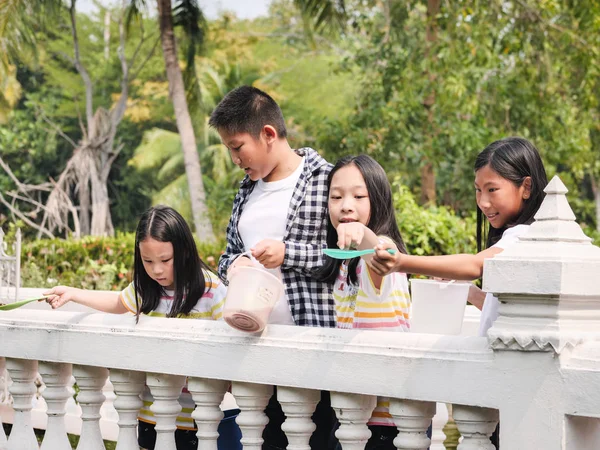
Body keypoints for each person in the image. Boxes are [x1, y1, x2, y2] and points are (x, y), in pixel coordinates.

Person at [371, 136, 548, 448]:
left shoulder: (523, 235)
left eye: (492, 189)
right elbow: (506, 308)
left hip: (509, 391)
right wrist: (472, 295)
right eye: (478, 191)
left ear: (527, 187)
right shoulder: (525, 238)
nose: (483, 202)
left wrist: (401, 262)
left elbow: (475, 265)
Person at [43, 205, 241, 450]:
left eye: (165, 260)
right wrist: (73, 293)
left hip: (197, 416)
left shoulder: (210, 289)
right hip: (150, 411)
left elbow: (231, 336)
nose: (157, 269)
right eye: (148, 261)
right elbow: (117, 302)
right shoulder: (145, 287)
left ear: (185, 252)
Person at [209, 85, 336, 450]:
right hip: (256, 350)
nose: (235, 158)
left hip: (313, 353)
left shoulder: (326, 181)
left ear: (267, 134)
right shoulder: (246, 191)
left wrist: (288, 253)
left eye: (237, 147)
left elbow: (345, 262)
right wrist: (234, 266)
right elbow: (227, 255)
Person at [316, 155, 410, 449]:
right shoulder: (344, 264)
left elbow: (383, 253)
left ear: (379, 200)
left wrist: (364, 234)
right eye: (336, 196)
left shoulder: (382, 254)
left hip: (387, 422)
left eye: (359, 196)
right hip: (351, 410)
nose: (346, 205)